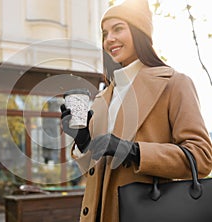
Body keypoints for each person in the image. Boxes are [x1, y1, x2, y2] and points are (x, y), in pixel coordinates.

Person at [60, 0, 212, 221]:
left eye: (118, 29)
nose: (109, 39)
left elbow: (201, 157)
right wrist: (83, 141)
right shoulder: (103, 97)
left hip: (145, 212)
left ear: (140, 32)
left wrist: (134, 151)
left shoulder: (174, 83)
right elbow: (94, 172)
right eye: (104, 33)